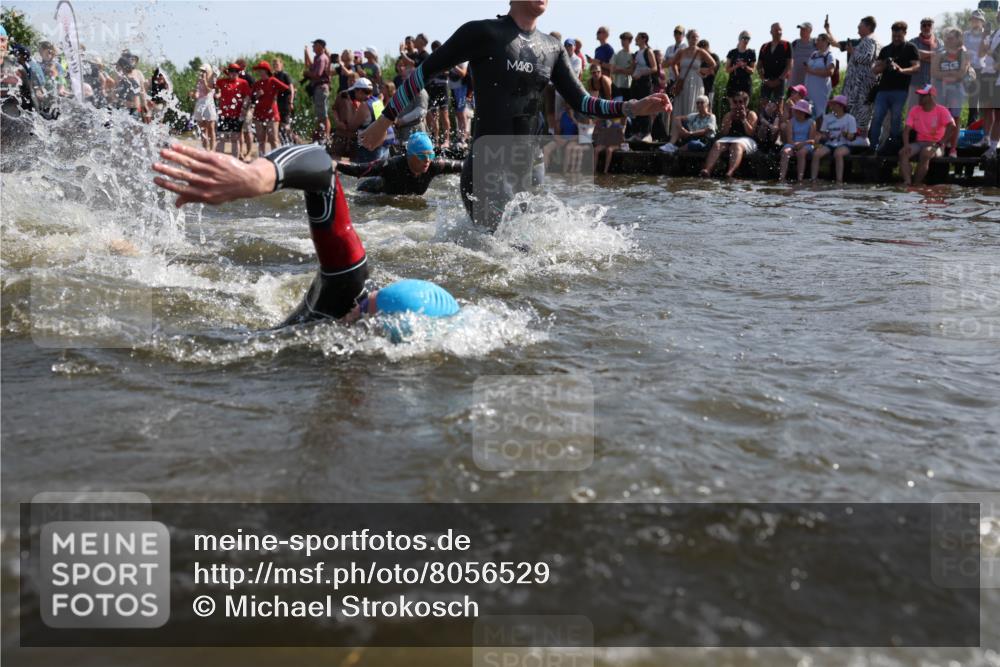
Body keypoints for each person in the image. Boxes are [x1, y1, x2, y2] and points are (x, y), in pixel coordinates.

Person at [360, 0, 669, 231]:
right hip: (487, 163)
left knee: (534, 254)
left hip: (530, 164)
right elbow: (423, 72)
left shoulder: (552, 48)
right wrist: (384, 120)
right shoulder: (482, 32)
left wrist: (631, 107)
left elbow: (584, 103)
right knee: (505, 257)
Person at [152, 143, 459, 330]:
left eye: (368, 307)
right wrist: (259, 176)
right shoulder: (349, 290)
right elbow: (322, 165)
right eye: (372, 299)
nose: (362, 304)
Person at [338, 131, 463, 195]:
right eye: (421, 156)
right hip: (368, 194)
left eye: (431, 155)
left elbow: (464, 166)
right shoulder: (392, 165)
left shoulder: (435, 165)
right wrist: (335, 164)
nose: (427, 160)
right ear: (410, 156)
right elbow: (358, 170)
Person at [826, 15, 878, 141]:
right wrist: (828, 30)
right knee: (850, 114)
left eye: (860, 26)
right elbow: (835, 43)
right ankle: (850, 139)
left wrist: (852, 51)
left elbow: (866, 58)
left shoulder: (869, 41)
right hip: (854, 88)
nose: (858, 28)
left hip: (861, 89)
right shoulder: (861, 41)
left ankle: (860, 141)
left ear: (868, 27)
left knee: (861, 115)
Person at [869, 21, 920, 151]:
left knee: (896, 118)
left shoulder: (910, 48)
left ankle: (892, 146)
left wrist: (902, 70)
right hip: (883, 90)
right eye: (894, 36)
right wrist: (886, 64)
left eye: (899, 36)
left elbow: (916, 67)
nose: (896, 38)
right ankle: (873, 146)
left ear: (905, 33)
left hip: (901, 90)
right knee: (877, 117)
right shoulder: (886, 49)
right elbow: (875, 69)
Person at [899, 84, 957, 185]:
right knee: (903, 153)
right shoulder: (914, 110)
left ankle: (916, 183)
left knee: (926, 153)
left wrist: (941, 142)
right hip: (919, 143)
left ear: (931, 96)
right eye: (920, 95)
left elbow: (952, 126)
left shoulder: (942, 110)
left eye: (923, 96)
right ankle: (907, 182)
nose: (920, 98)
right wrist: (906, 145)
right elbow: (906, 130)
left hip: (936, 144)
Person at [700, 90, 758, 177]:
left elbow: (751, 133)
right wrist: (729, 119)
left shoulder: (751, 114)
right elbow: (724, 133)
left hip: (746, 139)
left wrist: (744, 120)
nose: (737, 104)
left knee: (736, 145)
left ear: (745, 103)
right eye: (735, 101)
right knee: (717, 144)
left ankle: (730, 172)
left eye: (740, 102)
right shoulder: (729, 114)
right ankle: (707, 170)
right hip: (729, 138)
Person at [667, 29, 715, 118]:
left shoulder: (700, 52)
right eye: (693, 37)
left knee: (693, 104)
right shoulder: (682, 51)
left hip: (696, 81)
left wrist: (704, 73)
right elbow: (673, 64)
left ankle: (693, 128)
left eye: (696, 37)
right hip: (683, 81)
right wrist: (678, 76)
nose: (695, 39)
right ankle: (679, 128)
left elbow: (713, 64)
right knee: (681, 103)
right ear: (688, 38)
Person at [811, 94, 858, 183]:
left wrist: (846, 134)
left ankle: (839, 180)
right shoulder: (827, 117)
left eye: (834, 104)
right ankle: (814, 179)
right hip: (830, 144)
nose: (831, 106)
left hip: (845, 144)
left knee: (838, 154)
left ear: (840, 106)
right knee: (816, 154)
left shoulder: (850, 118)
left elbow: (852, 137)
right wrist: (822, 137)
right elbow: (823, 133)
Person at [251, 60, 290, 157]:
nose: (259, 72)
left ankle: (277, 159)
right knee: (261, 141)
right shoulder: (257, 83)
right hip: (258, 115)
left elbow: (287, 90)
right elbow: (251, 97)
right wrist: (257, 95)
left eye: (261, 70)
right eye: (258, 70)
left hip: (272, 115)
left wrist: (277, 98)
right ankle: (262, 159)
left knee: (274, 139)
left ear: (266, 70)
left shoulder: (273, 80)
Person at [931, 27, 970, 122]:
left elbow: (961, 74)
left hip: (957, 86)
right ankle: (940, 136)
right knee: (939, 113)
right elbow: (934, 72)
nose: (947, 40)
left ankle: (953, 137)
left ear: (958, 39)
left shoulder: (964, 53)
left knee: (955, 115)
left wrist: (944, 74)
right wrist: (951, 73)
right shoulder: (939, 53)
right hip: (940, 86)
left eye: (950, 38)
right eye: (946, 38)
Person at [215, 63, 252, 158]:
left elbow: (247, 96)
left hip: (236, 115)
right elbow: (212, 84)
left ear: (238, 72)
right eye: (231, 71)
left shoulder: (243, 83)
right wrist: (218, 71)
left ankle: (234, 160)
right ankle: (220, 160)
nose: (233, 73)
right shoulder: (222, 81)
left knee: (235, 139)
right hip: (223, 114)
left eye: (236, 71)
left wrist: (244, 107)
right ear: (228, 72)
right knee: (221, 138)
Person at [333, 77, 374, 160]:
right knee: (335, 157)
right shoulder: (343, 95)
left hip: (357, 137)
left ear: (360, 90)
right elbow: (334, 109)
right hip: (341, 133)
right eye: (349, 80)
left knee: (355, 161)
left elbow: (354, 125)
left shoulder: (367, 103)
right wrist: (337, 122)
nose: (351, 82)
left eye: (353, 81)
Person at [628, 31, 659, 140]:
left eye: (637, 38)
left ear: (644, 39)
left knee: (645, 105)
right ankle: (636, 132)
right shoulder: (636, 53)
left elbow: (654, 68)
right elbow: (631, 69)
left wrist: (641, 73)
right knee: (635, 106)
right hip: (635, 83)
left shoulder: (648, 51)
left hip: (645, 83)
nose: (635, 40)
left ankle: (646, 133)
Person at [778, 98, 816, 181]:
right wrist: (794, 145)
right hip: (793, 143)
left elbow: (812, 140)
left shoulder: (811, 122)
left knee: (801, 153)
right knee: (785, 152)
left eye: (800, 111)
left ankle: (800, 178)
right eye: (797, 110)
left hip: (806, 145)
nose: (798, 112)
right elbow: (789, 139)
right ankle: (782, 177)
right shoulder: (791, 122)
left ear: (805, 112)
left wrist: (802, 144)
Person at [304, 38, 332, 143]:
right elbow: (310, 66)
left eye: (314, 45)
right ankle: (319, 136)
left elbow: (317, 74)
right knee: (320, 114)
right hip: (319, 88)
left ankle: (326, 137)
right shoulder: (317, 57)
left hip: (321, 88)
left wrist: (307, 74)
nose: (313, 47)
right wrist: (306, 53)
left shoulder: (322, 58)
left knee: (324, 115)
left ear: (320, 46)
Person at [908, 18, 940, 111]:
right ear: (920, 27)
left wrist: (921, 56)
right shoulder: (913, 42)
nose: (926, 27)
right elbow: (911, 57)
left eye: (929, 25)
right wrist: (934, 54)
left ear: (933, 27)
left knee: (931, 111)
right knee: (913, 110)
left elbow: (940, 60)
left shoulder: (939, 42)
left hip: (933, 84)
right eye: (924, 25)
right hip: (915, 82)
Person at [757, 23, 792, 106]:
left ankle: (779, 119)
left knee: (779, 107)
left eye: (780, 30)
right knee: (763, 105)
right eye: (776, 30)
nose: (779, 32)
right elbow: (759, 66)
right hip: (766, 80)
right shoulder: (764, 46)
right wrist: (764, 79)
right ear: (771, 32)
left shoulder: (786, 45)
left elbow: (789, 65)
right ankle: (762, 119)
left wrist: (780, 79)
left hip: (780, 80)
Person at [426, 40, 452, 148]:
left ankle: (447, 140)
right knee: (434, 115)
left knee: (444, 114)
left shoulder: (445, 58)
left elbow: (448, 71)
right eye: (433, 49)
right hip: (433, 88)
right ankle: (435, 140)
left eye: (437, 48)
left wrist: (438, 69)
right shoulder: (431, 58)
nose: (435, 51)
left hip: (443, 88)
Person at [965, 10, 989, 127]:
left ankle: (985, 127)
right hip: (969, 69)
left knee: (984, 100)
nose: (975, 22)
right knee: (973, 100)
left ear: (982, 22)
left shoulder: (988, 35)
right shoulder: (965, 35)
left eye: (978, 20)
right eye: (973, 19)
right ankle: (972, 124)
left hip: (984, 70)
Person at [804, 33, 835, 118]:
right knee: (809, 114)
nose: (816, 42)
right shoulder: (814, 54)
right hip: (809, 92)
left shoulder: (830, 56)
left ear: (826, 42)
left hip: (821, 93)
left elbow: (830, 72)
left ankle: (820, 131)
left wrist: (812, 71)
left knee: (820, 115)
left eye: (818, 40)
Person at [980, 24, 1000, 157]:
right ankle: (991, 147)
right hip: (997, 81)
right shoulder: (994, 34)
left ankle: (993, 147)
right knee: (996, 114)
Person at [191, 63, 217, 151]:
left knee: (211, 128)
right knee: (203, 130)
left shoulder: (212, 79)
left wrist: (205, 80)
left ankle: (212, 149)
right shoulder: (199, 80)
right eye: (201, 71)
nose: (202, 72)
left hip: (209, 104)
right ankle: (205, 149)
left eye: (204, 71)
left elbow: (209, 90)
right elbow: (197, 92)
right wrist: (194, 95)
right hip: (200, 104)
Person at [271, 58, 296, 146]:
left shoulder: (285, 75)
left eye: (277, 64)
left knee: (285, 125)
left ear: (281, 65)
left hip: (286, 102)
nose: (275, 66)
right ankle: (285, 144)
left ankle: (294, 140)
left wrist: (291, 102)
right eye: (274, 65)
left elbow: (292, 89)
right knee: (279, 127)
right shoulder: (273, 76)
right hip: (277, 104)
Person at [725, 31, 756, 99]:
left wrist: (744, 66)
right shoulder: (732, 52)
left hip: (745, 83)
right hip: (733, 82)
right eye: (744, 38)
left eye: (748, 38)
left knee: (743, 107)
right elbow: (727, 70)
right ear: (739, 38)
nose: (746, 40)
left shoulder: (751, 53)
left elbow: (752, 71)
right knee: (733, 106)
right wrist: (736, 66)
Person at [447, 60, 470, 145]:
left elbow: (463, 73)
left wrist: (453, 66)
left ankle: (464, 137)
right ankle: (460, 136)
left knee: (462, 113)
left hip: (461, 88)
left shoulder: (462, 60)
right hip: (453, 88)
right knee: (458, 113)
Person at [790, 21, 816, 87]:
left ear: (810, 31)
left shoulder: (816, 43)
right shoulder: (794, 43)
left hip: (810, 81)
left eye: (804, 29)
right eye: (801, 29)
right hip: (795, 81)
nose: (801, 31)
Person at [697, 39, 720, 112]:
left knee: (709, 109)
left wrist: (700, 70)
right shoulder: (701, 59)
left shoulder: (714, 57)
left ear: (706, 47)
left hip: (709, 88)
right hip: (700, 87)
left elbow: (712, 71)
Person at [610, 31, 633, 100]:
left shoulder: (633, 55)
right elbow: (612, 70)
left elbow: (632, 72)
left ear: (630, 41)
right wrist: (626, 70)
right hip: (617, 86)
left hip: (629, 86)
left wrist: (619, 69)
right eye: (621, 40)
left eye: (624, 40)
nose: (622, 42)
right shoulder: (616, 54)